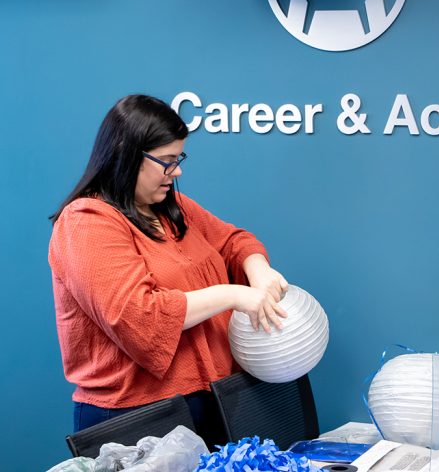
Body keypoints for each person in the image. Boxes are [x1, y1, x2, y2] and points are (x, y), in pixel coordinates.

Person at [48, 94, 289, 447]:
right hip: (138, 416)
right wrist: (234, 294)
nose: (177, 172)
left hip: (215, 398)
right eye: (166, 161)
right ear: (126, 154)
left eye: (179, 158)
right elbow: (139, 318)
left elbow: (234, 241)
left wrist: (259, 270)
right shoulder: (87, 222)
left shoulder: (170, 207)